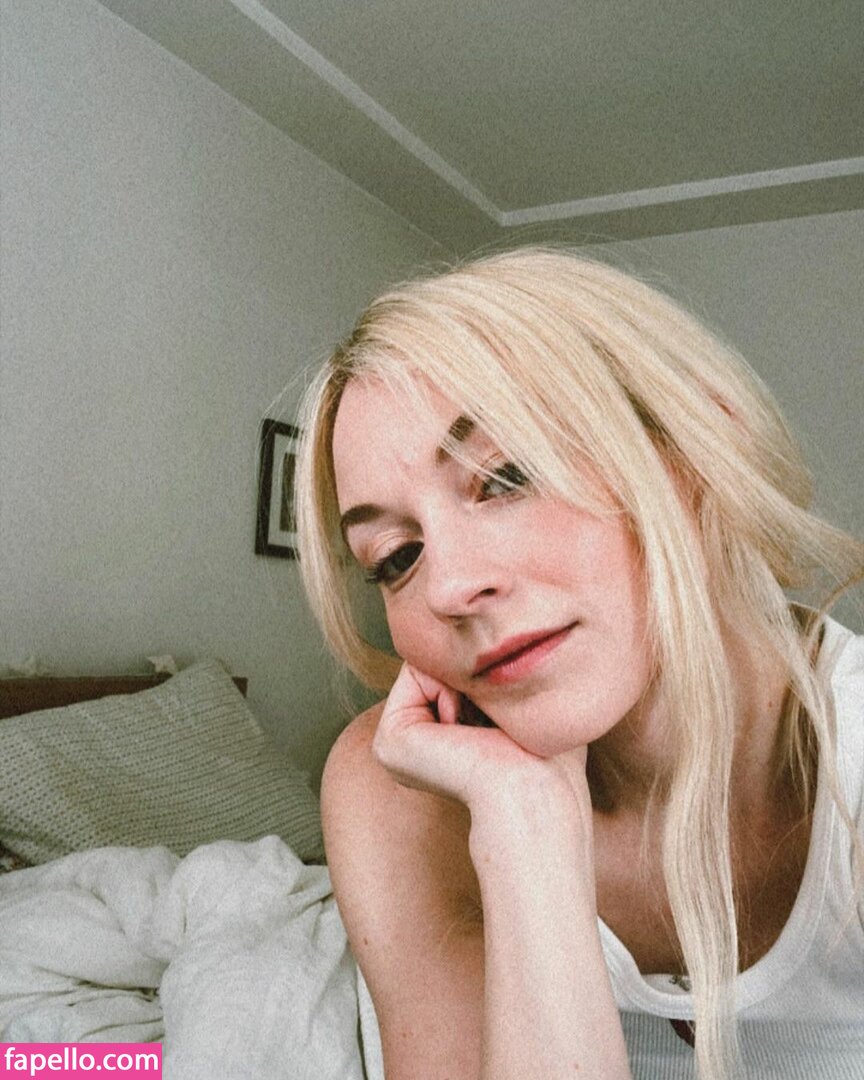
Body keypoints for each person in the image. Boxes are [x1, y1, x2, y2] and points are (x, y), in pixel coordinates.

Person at [293, 247, 864, 1080]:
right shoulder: (398, 796)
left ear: (695, 457)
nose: (448, 588)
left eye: (504, 477)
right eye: (395, 557)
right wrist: (525, 821)